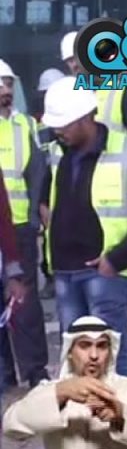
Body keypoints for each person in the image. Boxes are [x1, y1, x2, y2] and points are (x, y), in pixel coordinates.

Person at [39, 77, 127, 379]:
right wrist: (47, 216)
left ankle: (122, 409)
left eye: (63, 124)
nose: (58, 131)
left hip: (104, 272)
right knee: (74, 360)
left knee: (112, 360)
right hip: (64, 270)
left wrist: (117, 259)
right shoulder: (57, 151)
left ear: (85, 118)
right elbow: (44, 197)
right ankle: (84, 408)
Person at [2, 316, 127, 449]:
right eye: (85, 345)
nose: (94, 355)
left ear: (110, 352)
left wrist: (121, 414)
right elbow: (11, 427)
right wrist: (61, 393)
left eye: (102, 346)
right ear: (69, 352)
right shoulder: (51, 389)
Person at [0, 60, 49, 388]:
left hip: (19, 227)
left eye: (8, 83)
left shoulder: (25, 125)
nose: (5, 90)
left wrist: (34, 217)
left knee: (26, 303)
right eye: (0, 84)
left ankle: (35, 371)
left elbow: (38, 174)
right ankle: (5, 373)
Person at [35, 68, 64, 301]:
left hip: (66, 183)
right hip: (49, 184)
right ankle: (52, 278)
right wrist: (42, 199)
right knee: (49, 237)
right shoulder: (39, 125)